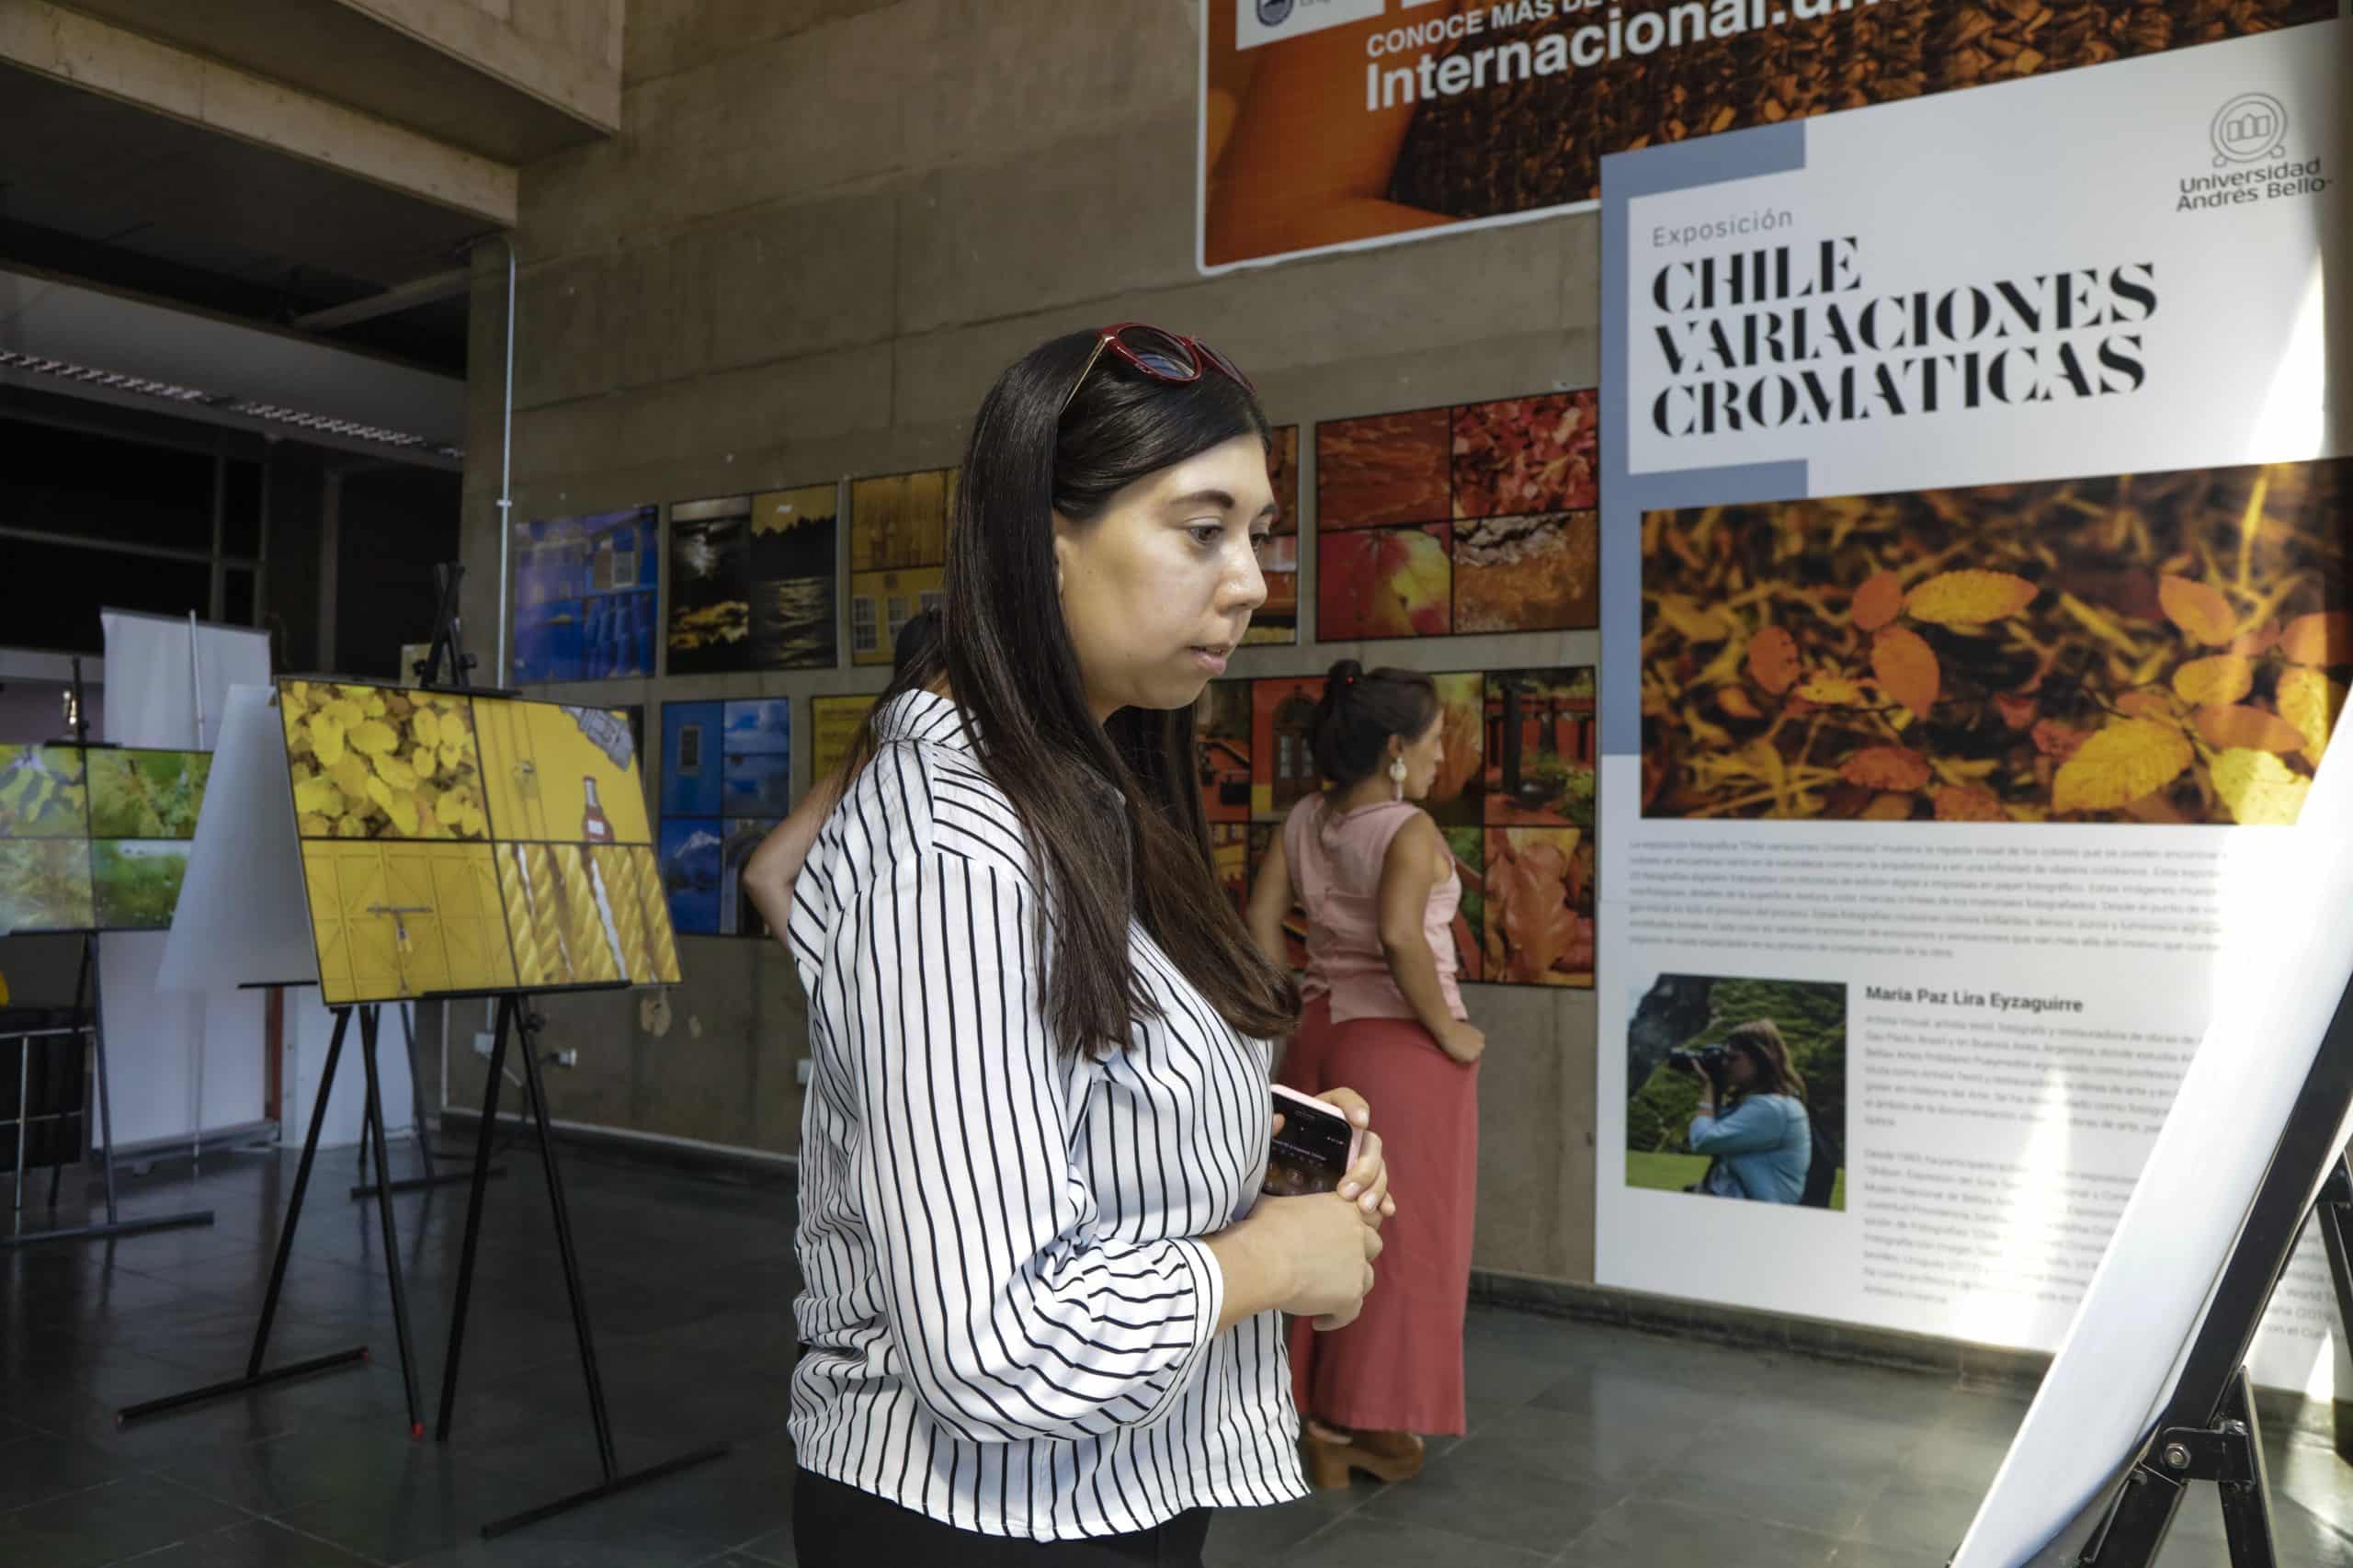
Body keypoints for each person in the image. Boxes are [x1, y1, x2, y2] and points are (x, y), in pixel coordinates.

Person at [780, 325, 1398, 1565]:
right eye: (1202, 529)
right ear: (1046, 540)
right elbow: (991, 1343)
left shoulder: (1082, 792)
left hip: (1101, 1489)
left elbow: (1073, 1090)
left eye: (1258, 533)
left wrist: (1264, 1138)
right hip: (979, 1519)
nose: (1250, 581)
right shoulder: (955, 853)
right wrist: (1268, 1260)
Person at [1245, 661, 1483, 1491]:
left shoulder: (1306, 818)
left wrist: (1289, 1008)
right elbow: (1401, 935)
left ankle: (1307, 1416)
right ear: (1395, 748)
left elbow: (1261, 918)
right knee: (1406, 1244)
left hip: (1319, 1040)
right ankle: (1365, 1427)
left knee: (1314, 1221)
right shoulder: (1408, 828)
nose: (1442, 752)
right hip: (1400, 1052)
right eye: (1435, 738)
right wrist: (1448, 1030)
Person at [739, 608, 939, 926]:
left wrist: (835, 955)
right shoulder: (875, 761)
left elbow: (764, 875)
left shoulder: (869, 761)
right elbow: (763, 875)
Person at [1687, 1020, 1813, 1205]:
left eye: (1733, 1058)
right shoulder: (1760, 1102)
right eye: (1724, 1057)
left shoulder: (1771, 1109)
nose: (1725, 1064)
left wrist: (1708, 1087)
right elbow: (1716, 1127)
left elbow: (1702, 1140)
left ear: (1761, 1059)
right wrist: (1718, 1088)